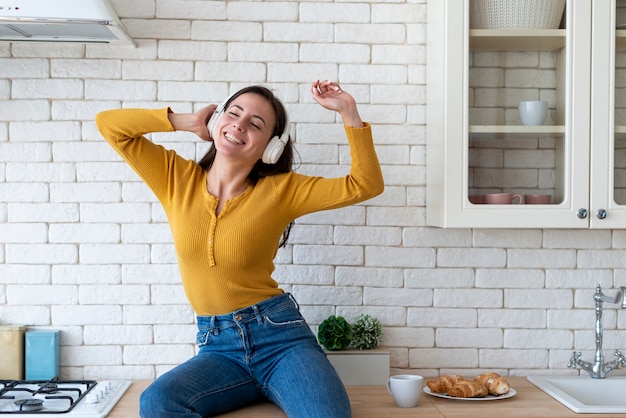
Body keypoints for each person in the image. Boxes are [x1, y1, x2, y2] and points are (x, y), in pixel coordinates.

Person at [96, 80, 384, 418]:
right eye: (233, 114)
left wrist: (348, 111)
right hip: (219, 349)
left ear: (271, 148)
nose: (239, 125)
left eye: (255, 124)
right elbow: (109, 125)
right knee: (158, 402)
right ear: (218, 119)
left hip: (282, 343)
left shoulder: (283, 191)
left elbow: (365, 184)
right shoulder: (175, 177)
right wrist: (188, 122)